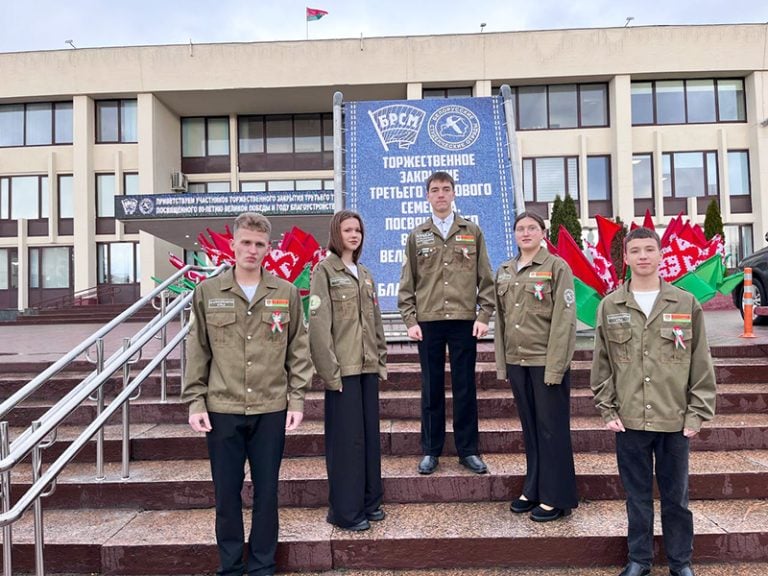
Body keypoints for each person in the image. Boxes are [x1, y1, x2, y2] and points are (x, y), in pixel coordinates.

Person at [182, 212, 313, 576]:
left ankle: (261, 565)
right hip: (222, 407)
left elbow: (298, 350)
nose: (252, 250)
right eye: (246, 242)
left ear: (268, 248)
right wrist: (195, 400)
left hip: (271, 407)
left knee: (267, 493)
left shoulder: (284, 293)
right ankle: (230, 566)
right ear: (233, 245)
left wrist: (297, 398)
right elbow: (198, 350)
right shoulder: (208, 292)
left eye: (259, 244)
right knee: (226, 495)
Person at [591, 227, 716, 576]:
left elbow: (700, 361)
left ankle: (680, 562)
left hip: (675, 419)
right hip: (629, 419)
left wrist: (697, 413)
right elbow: (601, 364)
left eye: (649, 249)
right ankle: (639, 560)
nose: (643, 256)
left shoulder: (685, 303)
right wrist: (607, 408)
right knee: (637, 498)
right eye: (636, 251)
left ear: (661, 255)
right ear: (626, 258)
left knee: (677, 499)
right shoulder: (610, 305)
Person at [398, 171, 495, 475]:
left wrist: (483, 315)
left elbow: (486, 279)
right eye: (435, 190)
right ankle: (431, 450)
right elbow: (407, 284)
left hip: (464, 322)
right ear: (427, 196)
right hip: (429, 324)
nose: (440, 194)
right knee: (431, 389)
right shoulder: (418, 235)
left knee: (465, 387)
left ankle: (468, 450)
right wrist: (410, 320)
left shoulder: (472, 231)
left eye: (445, 189)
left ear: (454, 194)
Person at [494, 211, 578, 522]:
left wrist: (556, 366)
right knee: (530, 430)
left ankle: (557, 497)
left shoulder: (557, 267)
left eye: (532, 228)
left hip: (546, 362)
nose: (526, 233)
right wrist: (503, 364)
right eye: (520, 228)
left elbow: (564, 321)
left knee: (551, 431)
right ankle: (534, 488)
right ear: (514, 234)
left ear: (543, 233)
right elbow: (501, 321)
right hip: (518, 361)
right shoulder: (504, 270)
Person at [308, 210, 388, 532]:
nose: (353, 235)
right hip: (343, 372)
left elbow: (376, 322)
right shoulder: (324, 271)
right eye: (347, 230)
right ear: (336, 233)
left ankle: (370, 502)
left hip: (367, 368)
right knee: (347, 443)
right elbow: (318, 325)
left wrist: (380, 359)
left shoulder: (365, 274)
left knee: (368, 439)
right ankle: (346, 511)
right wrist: (330, 372)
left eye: (357, 230)